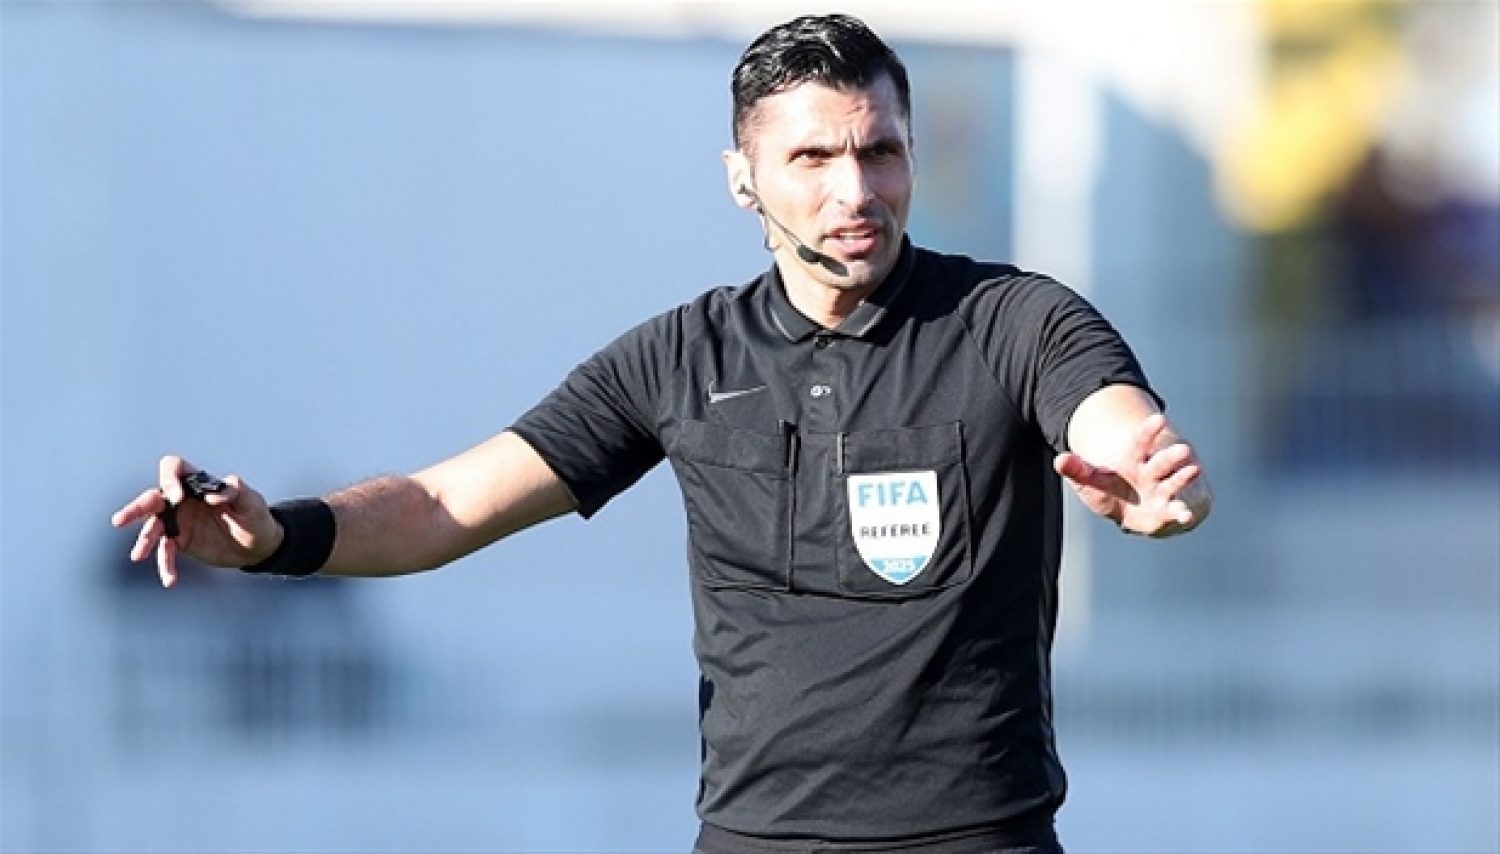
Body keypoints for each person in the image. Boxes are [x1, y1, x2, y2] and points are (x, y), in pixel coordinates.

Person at [112, 14, 1211, 853]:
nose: (857, 190)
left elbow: (1116, 422)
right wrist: (275, 537)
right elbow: (446, 505)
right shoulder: (682, 357)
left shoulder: (1014, 319)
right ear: (744, 180)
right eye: (813, 159)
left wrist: (1154, 485)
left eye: (881, 151)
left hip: (980, 838)